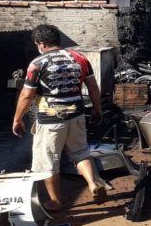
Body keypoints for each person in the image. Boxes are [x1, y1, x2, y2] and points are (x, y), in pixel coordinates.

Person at [12, 24, 105, 211]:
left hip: (50, 119)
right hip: (76, 114)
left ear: (41, 43)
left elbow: (26, 95)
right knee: (80, 152)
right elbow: (93, 87)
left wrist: (17, 119)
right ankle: (93, 183)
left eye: (37, 44)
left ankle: (55, 201)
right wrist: (97, 109)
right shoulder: (79, 58)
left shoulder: (38, 63)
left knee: (48, 160)